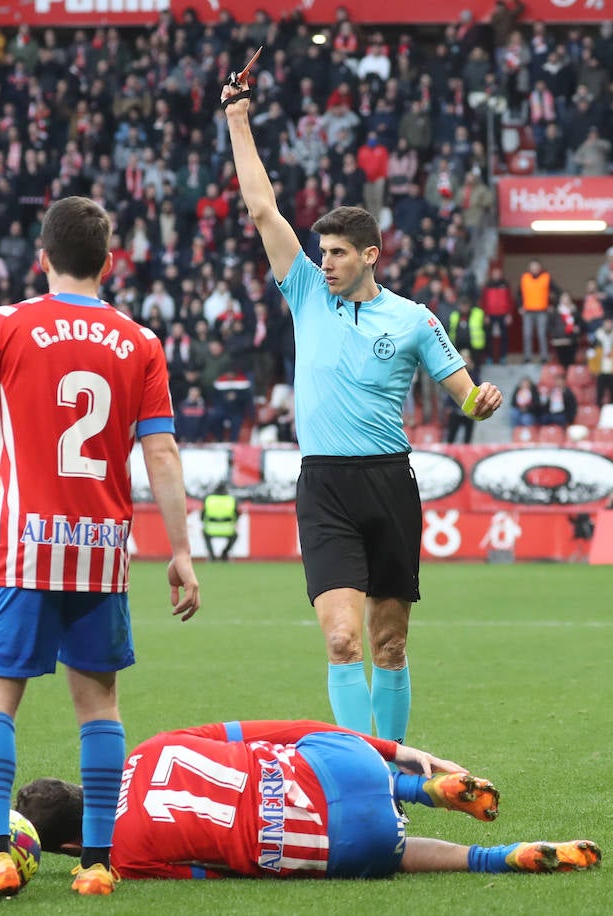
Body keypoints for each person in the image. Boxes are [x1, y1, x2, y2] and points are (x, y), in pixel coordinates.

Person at [221, 76, 501, 747]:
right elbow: (262, 208)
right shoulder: (307, 293)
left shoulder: (413, 320)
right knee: (343, 639)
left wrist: (480, 401)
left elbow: (464, 391)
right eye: (323, 254)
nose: (327, 264)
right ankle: (362, 769)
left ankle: (399, 769)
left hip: (389, 483)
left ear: (371, 254)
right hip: (324, 486)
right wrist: (237, 116)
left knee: (390, 642)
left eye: (339, 253)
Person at [0, 197, 200, 900]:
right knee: (99, 705)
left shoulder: (4, 325)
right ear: (109, 262)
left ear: (42, 257)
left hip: (23, 547)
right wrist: (180, 550)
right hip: (101, 550)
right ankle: (95, 862)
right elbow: (163, 452)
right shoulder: (140, 341)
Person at [16, 719, 601, 880]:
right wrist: (392, 747)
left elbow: (211, 875)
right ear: (80, 783)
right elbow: (283, 728)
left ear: (72, 845)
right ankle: (421, 788)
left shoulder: (127, 858)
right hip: (345, 762)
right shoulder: (152, 745)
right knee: (296, 752)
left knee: (365, 846)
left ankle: (497, 858)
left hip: (347, 844)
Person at [200, 483, 239, 562]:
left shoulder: (208, 499)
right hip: (228, 529)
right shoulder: (231, 499)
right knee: (235, 536)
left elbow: (202, 516)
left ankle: (212, 555)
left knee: (204, 533)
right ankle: (224, 554)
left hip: (210, 529)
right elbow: (237, 514)